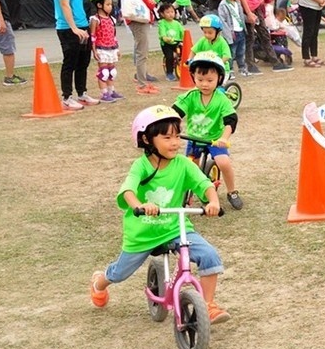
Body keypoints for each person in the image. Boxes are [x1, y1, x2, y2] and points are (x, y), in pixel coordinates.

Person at [89, 105, 227, 322]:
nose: (175, 143)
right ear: (146, 140)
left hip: (174, 228)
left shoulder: (182, 164)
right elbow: (128, 190)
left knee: (209, 255)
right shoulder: (140, 166)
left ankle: (208, 305)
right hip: (143, 234)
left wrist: (214, 200)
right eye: (166, 137)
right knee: (120, 273)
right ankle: (99, 281)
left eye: (177, 136)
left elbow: (203, 182)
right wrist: (140, 205)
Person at [175, 52, 242, 210]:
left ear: (219, 79)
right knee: (189, 166)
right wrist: (173, 128)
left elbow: (230, 120)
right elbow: (175, 113)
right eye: (200, 80)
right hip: (194, 138)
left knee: (223, 162)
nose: (205, 84)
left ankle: (232, 191)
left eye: (210, 80)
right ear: (193, 77)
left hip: (215, 139)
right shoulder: (190, 96)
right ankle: (188, 192)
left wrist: (224, 138)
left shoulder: (221, 100)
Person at [53, 0, 99, 110]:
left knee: (83, 62)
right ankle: (67, 97)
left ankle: (82, 93)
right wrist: (73, 28)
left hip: (82, 25)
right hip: (67, 28)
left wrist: (83, 26)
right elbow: (64, 5)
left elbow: (78, 5)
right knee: (70, 62)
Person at [123, 0, 170, 94]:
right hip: (138, 20)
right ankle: (142, 84)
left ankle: (143, 82)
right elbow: (145, 0)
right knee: (142, 52)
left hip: (138, 20)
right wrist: (151, 2)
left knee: (142, 51)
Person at [89, 0, 122, 103]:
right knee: (104, 72)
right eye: (107, 4)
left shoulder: (112, 19)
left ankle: (111, 91)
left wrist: (117, 48)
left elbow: (114, 35)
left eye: (111, 4)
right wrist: (94, 50)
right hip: (101, 48)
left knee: (112, 72)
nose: (110, 7)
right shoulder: (95, 20)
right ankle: (104, 94)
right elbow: (92, 36)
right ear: (99, 5)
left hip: (111, 48)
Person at [217, 0, 249, 78]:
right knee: (231, 53)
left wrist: (248, 19)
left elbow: (241, 16)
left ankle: (242, 68)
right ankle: (229, 70)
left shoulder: (237, 3)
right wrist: (229, 33)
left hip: (240, 31)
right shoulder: (223, 5)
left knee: (241, 51)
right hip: (232, 33)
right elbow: (223, 21)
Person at [156, 1, 184, 82]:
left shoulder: (177, 23)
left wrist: (185, 38)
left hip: (177, 42)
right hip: (167, 44)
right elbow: (162, 33)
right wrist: (165, 37)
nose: (170, 14)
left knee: (184, 55)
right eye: (167, 12)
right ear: (162, 14)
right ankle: (169, 73)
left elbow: (183, 32)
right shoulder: (162, 23)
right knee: (170, 57)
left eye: (172, 12)